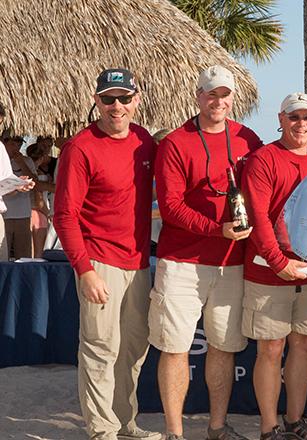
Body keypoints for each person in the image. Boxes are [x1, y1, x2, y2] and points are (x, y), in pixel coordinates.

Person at [149, 65, 260, 440]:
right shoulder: (175, 142)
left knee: (224, 348)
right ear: (198, 96)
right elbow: (171, 206)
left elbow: (269, 184)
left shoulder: (248, 139)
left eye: (224, 94)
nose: (218, 101)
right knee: (175, 347)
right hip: (182, 262)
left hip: (231, 263)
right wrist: (217, 229)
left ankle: (217, 427)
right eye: (211, 94)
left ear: (233, 99)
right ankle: (174, 433)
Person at [53, 68, 160, 440]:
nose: (117, 106)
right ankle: (102, 432)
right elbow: (64, 214)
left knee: (132, 351)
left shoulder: (145, 141)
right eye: (108, 99)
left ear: (137, 100)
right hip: (99, 262)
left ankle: (125, 423)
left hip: (138, 262)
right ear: (96, 101)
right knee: (100, 350)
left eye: (124, 98)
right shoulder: (80, 147)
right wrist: (85, 270)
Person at [241, 92, 307, 440]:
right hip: (269, 271)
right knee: (271, 349)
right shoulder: (263, 159)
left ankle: (295, 421)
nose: (301, 124)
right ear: (280, 119)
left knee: (305, 346)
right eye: (294, 117)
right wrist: (279, 263)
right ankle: (269, 428)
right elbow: (258, 216)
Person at [0, 104, 34, 260]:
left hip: (15, 213)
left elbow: (5, 185)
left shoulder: (1, 149)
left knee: (18, 256)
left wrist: (18, 184)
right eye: (12, 141)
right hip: (7, 216)